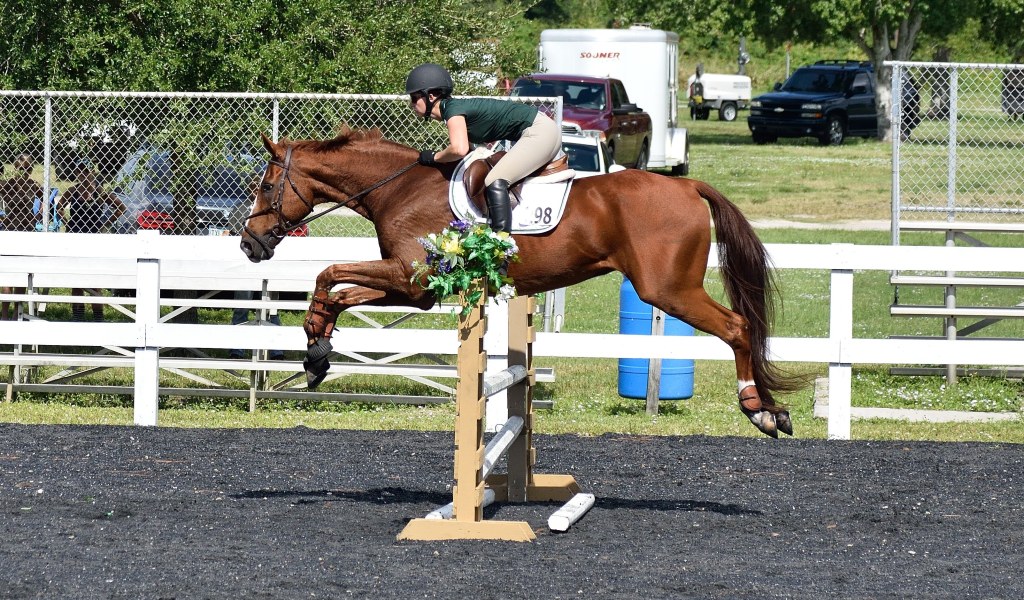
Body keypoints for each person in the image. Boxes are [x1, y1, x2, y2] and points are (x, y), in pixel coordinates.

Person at [406, 62, 562, 233]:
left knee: (495, 180)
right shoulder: (453, 109)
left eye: (414, 98)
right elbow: (469, 151)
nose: (412, 104)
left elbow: (459, 149)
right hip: (544, 130)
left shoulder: (453, 110)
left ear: (430, 97)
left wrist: (434, 157)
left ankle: (500, 244)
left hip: (539, 132)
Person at [61, 160, 128, 321]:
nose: (83, 174)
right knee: (77, 281)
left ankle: (98, 317)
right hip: (76, 237)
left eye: (86, 171)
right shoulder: (73, 191)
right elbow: (59, 206)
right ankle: (78, 316)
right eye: (79, 171)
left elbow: (121, 207)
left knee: (94, 281)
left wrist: (105, 224)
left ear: (92, 172)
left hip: (94, 239)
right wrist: (67, 223)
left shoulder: (99, 193)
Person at [1, 154, 43, 320]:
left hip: (27, 232)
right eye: (20, 169)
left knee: (21, 275)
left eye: (26, 169)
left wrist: (37, 216)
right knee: (7, 276)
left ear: (31, 170)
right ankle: (4, 313)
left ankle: (16, 313)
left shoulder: (32, 185)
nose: (23, 173)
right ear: (15, 169)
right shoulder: (8, 185)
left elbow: (45, 199)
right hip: (11, 230)